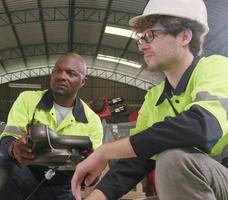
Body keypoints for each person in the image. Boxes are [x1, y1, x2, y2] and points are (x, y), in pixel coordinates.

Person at [71, 0, 228, 200]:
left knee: (173, 159)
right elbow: (139, 157)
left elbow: (203, 125)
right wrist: (98, 196)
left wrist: (104, 151)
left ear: (184, 36)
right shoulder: (154, 97)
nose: (142, 45)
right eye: (141, 38)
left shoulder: (216, 68)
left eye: (150, 35)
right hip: (201, 188)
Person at [0, 52, 103, 200]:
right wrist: (14, 148)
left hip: (63, 186)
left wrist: (91, 167)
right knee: (2, 166)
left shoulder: (92, 120)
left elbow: (93, 176)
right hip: (26, 175)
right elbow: (6, 140)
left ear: (82, 81)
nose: (62, 76)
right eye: (57, 70)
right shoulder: (28, 100)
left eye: (71, 73)